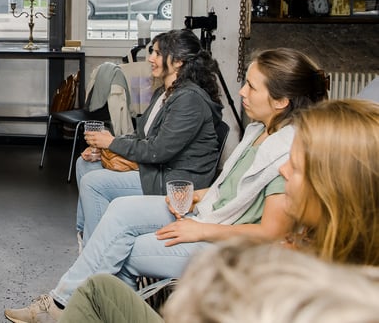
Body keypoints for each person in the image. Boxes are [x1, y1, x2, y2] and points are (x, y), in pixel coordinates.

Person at [5, 47, 328, 323]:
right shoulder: (260, 131)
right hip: (210, 212)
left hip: (228, 239)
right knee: (119, 211)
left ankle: (68, 305)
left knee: (122, 248)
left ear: (281, 101)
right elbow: (232, 190)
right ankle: (73, 302)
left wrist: (200, 230)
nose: (242, 92)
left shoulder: (287, 154)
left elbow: (272, 233)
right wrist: (198, 195)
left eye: (252, 87)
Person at [58, 98, 379, 323]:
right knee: (99, 283)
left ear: (334, 187)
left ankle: (64, 296)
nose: (282, 172)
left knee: (113, 258)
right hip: (201, 208)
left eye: (296, 168)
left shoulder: (334, 296)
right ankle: (68, 291)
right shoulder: (256, 135)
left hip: (194, 208)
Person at [74, 29, 225, 249]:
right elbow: (141, 136)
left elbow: (157, 151)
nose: (150, 58)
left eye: (157, 53)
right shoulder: (164, 93)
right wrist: (104, 148)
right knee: (86, 163)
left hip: (174, 183)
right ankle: (91, 237)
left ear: (178, 61)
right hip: (159, 170)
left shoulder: (189, 100)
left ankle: (96, 251)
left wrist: (111, 143)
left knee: (93, 184)